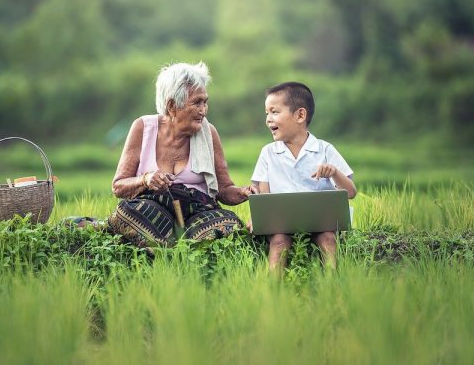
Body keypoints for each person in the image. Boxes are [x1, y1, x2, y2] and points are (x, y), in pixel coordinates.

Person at [108, 62, 257, 251]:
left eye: (205, 102)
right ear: (172, 106)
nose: (203, 110)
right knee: (128, 212)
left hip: (197, 211)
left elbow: (223, 189)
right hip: (154, 210)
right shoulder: (143, 128)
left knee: (229, 225)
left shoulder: (208, 133)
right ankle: (173, 249)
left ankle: (170, 247)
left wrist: (243, 192)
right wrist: (145, 180)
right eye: (197, 102)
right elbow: (119, 186)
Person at [250, 82, 356, 273]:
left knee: (328, 239)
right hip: (281, 224)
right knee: (279, 241)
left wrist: (334, 173)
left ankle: (332, 286)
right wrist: (258, 217)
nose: (268, 119)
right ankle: (273, 290)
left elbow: (350, 192)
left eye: (274, 112)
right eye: (267, 113)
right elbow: (263, 195)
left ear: (300, 115)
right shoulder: (268, 153)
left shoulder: (325, 150)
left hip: (322, 222)